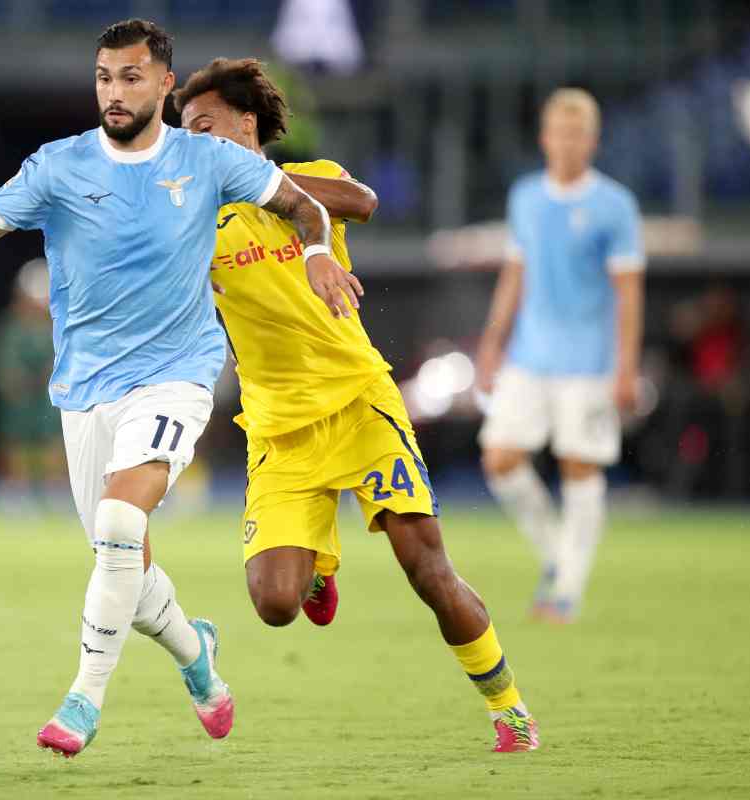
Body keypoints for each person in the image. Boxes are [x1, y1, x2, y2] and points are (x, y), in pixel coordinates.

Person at [0, 18, 360, 757]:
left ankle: (83, 699)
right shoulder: (59, 167)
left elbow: (305, 204)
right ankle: (198, 658)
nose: (115, 92)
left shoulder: (205, 160)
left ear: (165, 83)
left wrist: (320, 253)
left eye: (132, 77)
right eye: (105, 77)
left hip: (175, 376)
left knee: (122, 526)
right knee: (122, 560)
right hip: (85, 388)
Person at [177, 57, 539, 752]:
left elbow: (363, 202)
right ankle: (320, 567)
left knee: (427, 569)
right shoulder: (196, 220)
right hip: (280, 431)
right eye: (184, 133)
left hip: (359, 406)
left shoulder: (316, 181)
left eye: (204, 126)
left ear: (246, 123)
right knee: (276, 604)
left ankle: (510, 709)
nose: (192, 143)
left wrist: (260, 186)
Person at [476, 88, 645, 623]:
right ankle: (558, 556)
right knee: (499, 458)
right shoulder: (526, 196)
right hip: (529, 357)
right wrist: (491, 343)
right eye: (559, 132)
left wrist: (625, 366)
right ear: (545, 137)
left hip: (588, 362)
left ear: (592, 141)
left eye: (578, 134)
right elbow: (515, 274)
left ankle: (567, 591)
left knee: (579, 465)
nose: (568, 143)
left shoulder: (614, 205)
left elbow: (629, 291)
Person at [0, 258, 63, 504]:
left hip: (50, 394)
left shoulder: (59, 328)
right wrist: (14, 381)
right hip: (18, 396)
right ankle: (15, 492)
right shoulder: (11, 326)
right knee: (15, 440)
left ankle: (54, 490)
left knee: (53, 440)